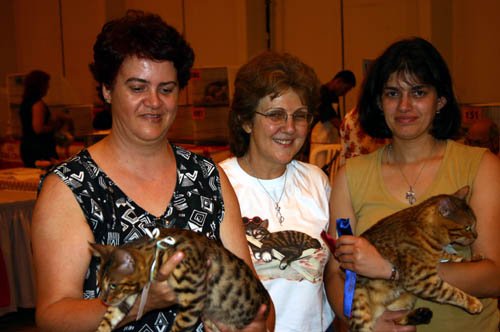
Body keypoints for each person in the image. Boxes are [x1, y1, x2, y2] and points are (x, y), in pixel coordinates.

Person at [31, 10, 270, 332]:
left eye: (167, 89)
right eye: (137, 87)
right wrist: (141, 301)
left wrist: (256, 324)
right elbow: (53, 316)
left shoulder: (206, 176)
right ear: (106, 89)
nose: (154, 102)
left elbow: (254, 293)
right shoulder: (71, 188)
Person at [324, 36, 500, 332]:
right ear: (379, 103)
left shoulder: (480, 166)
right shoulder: (350, 176)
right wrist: (364, 321)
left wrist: (392, 269)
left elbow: (493, 277)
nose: (404, 105)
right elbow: (335, 275)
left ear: (440, 100)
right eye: (392, 93)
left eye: (418, 92)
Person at [220, 51, 334, 332]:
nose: (290, 128)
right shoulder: (218, 184)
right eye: (275, 115)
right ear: (246, 121)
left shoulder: (317, 182)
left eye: (300, 116)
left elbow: (334, 274)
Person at [19, 70, 59, 167]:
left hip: (27, 146)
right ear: (40, 86)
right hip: (40, 148)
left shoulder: (24, 103)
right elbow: (38, 129)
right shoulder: (38, 104)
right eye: (46, 84)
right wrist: (55, 125)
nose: (48, 87)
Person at [310, 70, 356, 145]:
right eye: (345, 89)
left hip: (329, 139)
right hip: (319, 140)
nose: (345, 93)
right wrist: (349, 132)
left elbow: (337, 118)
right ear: (338, 81)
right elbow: (332, 118)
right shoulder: (321, 93)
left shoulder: (335, 97)